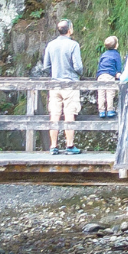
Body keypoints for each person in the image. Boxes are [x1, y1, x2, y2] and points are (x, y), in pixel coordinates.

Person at [40, 20, 86, 155]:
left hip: (55, 84)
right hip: (70, 84)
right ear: (70, 30)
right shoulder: (73, 45)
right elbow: (78, 67)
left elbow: (46, 66)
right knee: (69, 114)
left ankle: (53, 146)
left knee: (54, 115)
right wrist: (78, 73)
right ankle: (70, 146)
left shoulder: (51, 45)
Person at [95, 36, 123, 117]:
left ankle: (101, 111)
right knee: (110, 92)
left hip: (101, 75)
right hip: (110, 75)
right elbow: (118, 65)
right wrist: (118, 73)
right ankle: (110, 110)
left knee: (101, 93)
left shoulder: (103, 54)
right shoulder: (116, 54)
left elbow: (100, 64)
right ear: (116, 45)